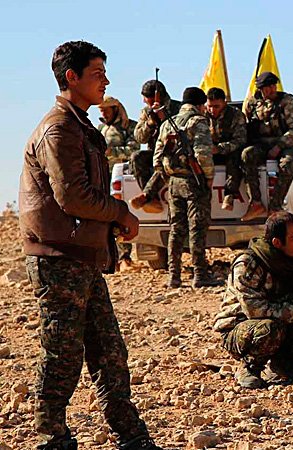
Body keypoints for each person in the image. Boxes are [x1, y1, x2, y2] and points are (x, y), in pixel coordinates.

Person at [19, 41, 162, 450]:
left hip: (80, 256)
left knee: (109, 352)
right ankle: (51, 436)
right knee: (62, 354)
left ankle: (130, 435)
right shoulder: (60, 129)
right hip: (58, 258)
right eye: (98, 73)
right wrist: (119, 213)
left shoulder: (79, 125)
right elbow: (73, 197)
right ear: (72, 77)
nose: (106, 81)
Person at [214, 211, 293, 388]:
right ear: (277, 243)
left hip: (283, 321)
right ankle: (250, 367)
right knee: (269, 328)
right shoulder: (249, 264)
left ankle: (283, 364)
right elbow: (254, 309)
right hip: (241, 328)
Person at [151, 87, 216, 288]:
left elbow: (157, 158)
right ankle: (200, 275)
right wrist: (208, 177)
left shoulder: (167, 124)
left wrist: (167, 176)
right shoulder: (198, 122)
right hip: (194, 181)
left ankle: (174, 276)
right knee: (197, 228)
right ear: (200, 105)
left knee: (176, 230)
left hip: (174, 182)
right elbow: (203, 154)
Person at [240, 72, 293, 221]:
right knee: (246, 155)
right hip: (261, 144)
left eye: (273, 86)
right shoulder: (252, 103)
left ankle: (275, 205)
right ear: (260, 89)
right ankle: (256, 202)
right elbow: (245, 127)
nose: (271, 90)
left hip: (285, 143)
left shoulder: (287, 102)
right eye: (267, 87)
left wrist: (279, 145)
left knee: (288, 162)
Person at [97, 95, 140, 270]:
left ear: (115, 109)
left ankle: (124, 256)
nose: (103, 114)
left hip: (121, 176)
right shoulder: (100, 128)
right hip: (102, 175)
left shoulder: (129, 126)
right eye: (101, 111)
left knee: (121, 213)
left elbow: (134, 149)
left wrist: (111, 152)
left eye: (106, 110)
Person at [131, 79, 181, 208]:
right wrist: (150, 124)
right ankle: (151, 200)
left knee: (165, 161)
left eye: (146, 98)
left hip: (175, 153)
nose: (144, 101)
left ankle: (146, 195)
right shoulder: (147, 112)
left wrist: (164, 119)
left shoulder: (178, 109)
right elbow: (139, 138)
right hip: (154, 153)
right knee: (137, 157)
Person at [206, 87, 247, 210]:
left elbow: (240, 140)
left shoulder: (235, 115)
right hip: (208, 153)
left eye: (216, 106)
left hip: (229, 151)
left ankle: (229, 195)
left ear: (224, 102)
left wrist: (219, 149)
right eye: (210, 106)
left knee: (236, 157)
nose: (212, 110)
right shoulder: (202, 115)